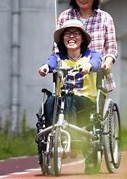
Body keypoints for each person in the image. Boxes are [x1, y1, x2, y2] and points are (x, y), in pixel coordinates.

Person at [38, 19, 101, 173]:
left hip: (85, 100)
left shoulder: (91, 55)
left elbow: (97, 62)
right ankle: (51, 139)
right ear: (62, 38)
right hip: (62, 99)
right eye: (67, 33)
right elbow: (50, 63)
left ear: (82, 38)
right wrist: (45, 68)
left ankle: (72, 140)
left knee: (70, 99)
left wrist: (89, 66)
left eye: (75, 33)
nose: (71, 37)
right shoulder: (58, 57)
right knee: (49, 101)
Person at [57, 0, 118, 90]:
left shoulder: (105, 18)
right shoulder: (65, 16)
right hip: (70, 76)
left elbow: (111, 48)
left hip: (96, 76)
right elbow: (57, 47)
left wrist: (108, 62)